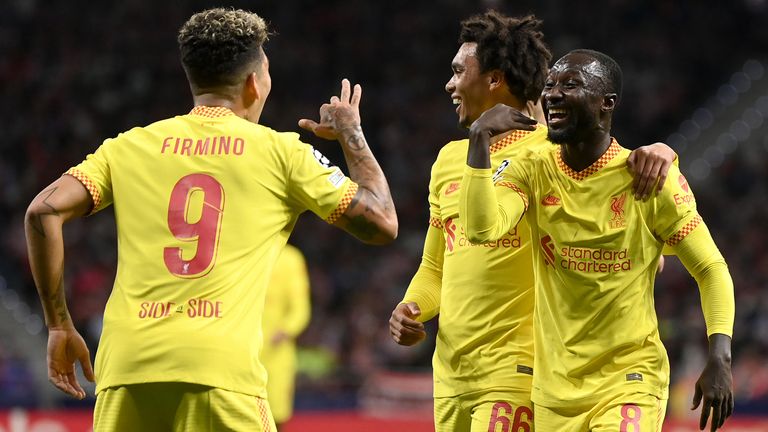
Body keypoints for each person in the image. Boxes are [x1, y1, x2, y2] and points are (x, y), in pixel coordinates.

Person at [24, 8, 397, 432]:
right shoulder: (281, 152)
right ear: (256, 82)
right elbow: (382, 221)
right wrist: (351, 132)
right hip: (219, 376)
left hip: (127, 371)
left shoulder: (129, 146)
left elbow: (43, 210)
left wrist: (58, 324)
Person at [388, 11, 677, 432]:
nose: (449, 84)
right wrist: (412, 307)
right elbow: (436, 265)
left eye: (457, 71)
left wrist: (665, 151)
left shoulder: (555, 154)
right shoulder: (451, 160)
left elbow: (631, 224)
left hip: (519, 372)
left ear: (494, 79)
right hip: (451, 373)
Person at [459, 49, 734, 431]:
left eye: (570, 85)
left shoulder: (649, 177)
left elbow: (710, 268)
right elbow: (481, 229)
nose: (552, 94)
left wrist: (720, 356)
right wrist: (478, 141)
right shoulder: (533, 169)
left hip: (628, 382)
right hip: (554, 391)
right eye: (550, 85)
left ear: (607, 103)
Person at [261, 243, 311, 431]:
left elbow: (301, 308)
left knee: (275, 414)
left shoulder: (291, 258)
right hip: (241, 348)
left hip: (276, 353)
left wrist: (287, 329)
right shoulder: (245, 251)